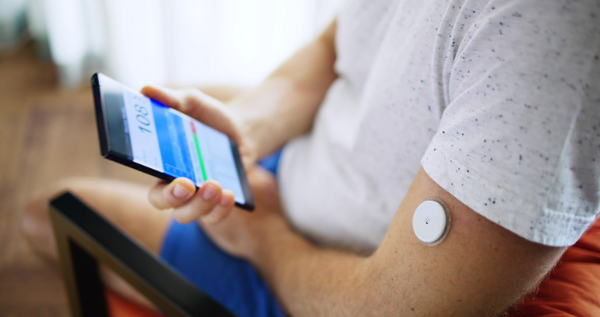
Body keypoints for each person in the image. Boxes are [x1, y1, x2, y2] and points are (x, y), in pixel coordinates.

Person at [23, 0, 600, 316]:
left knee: (43, 215)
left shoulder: (552, 42)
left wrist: (263, 236)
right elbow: (336, 48)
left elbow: (387, 310)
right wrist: (247, 127)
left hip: (318, 279)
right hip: (287, 181)